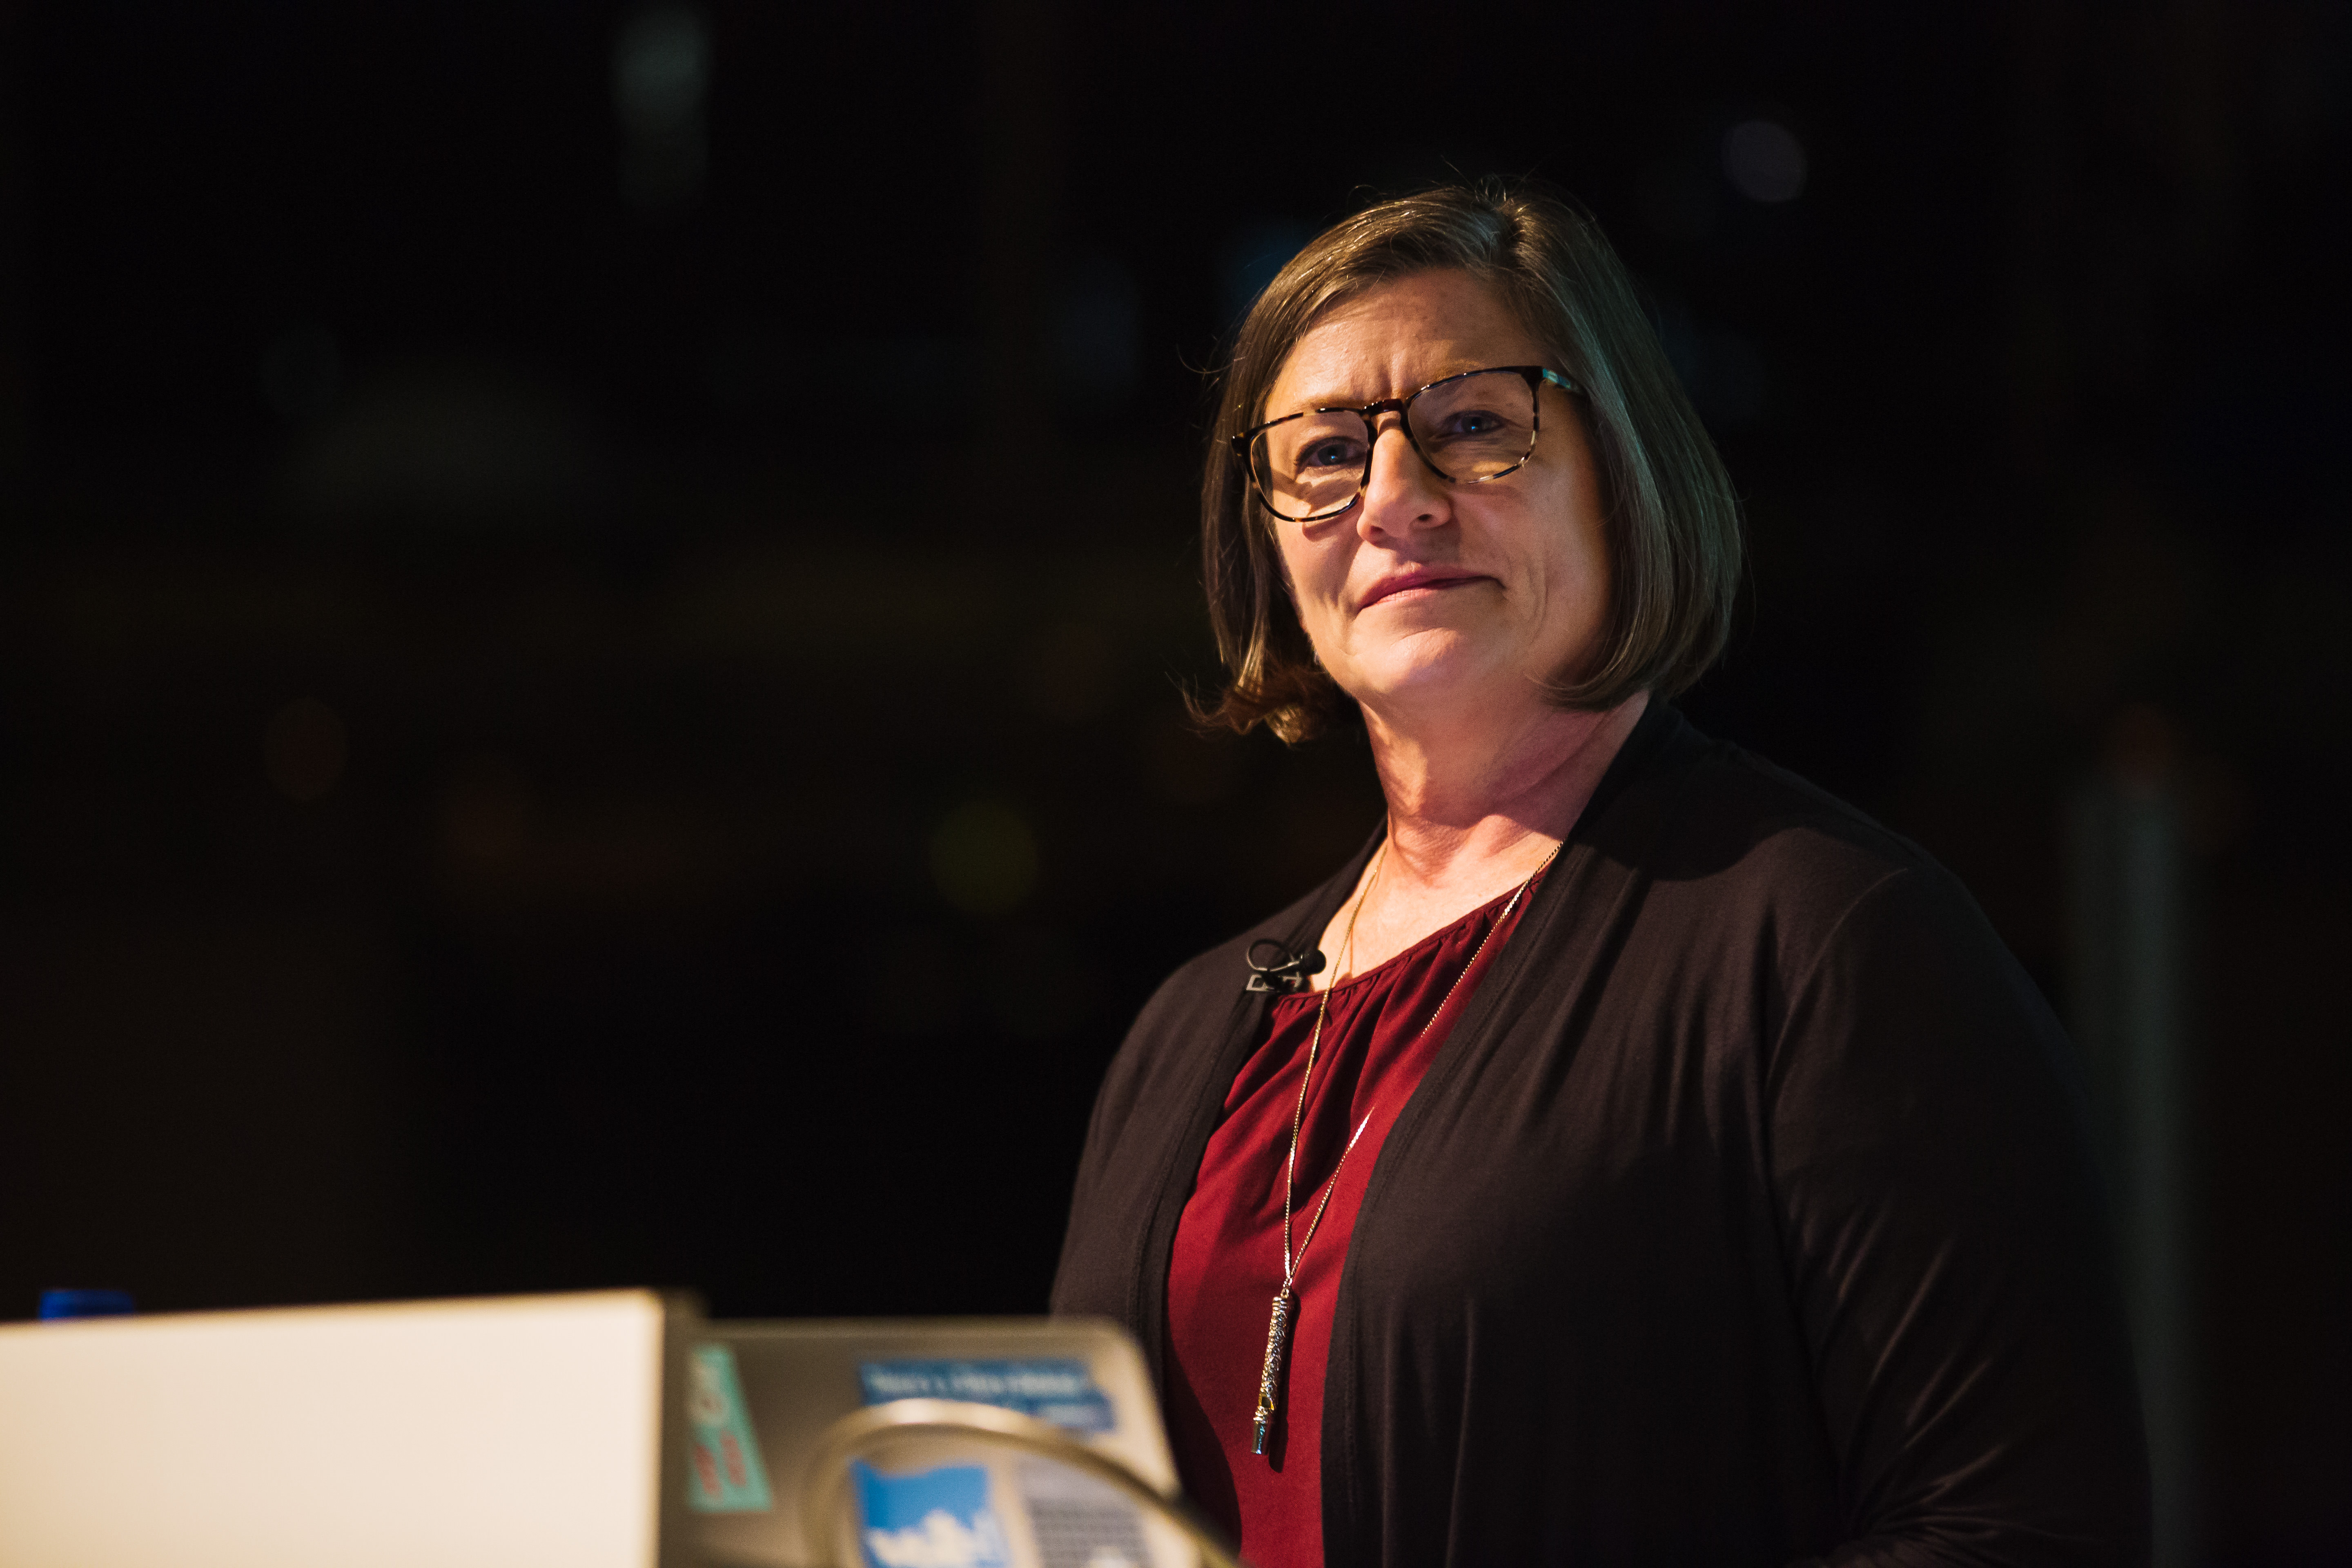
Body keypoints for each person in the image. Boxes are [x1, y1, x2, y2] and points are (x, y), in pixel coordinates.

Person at [1050, 183, 2149, 1568]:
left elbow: (2025, 1530)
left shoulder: (1828, 944)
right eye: (1324, 452)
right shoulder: (1188, 1031)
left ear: (1623, 472)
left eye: (1474, 429)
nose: (1396, 498)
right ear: (1267, 545)